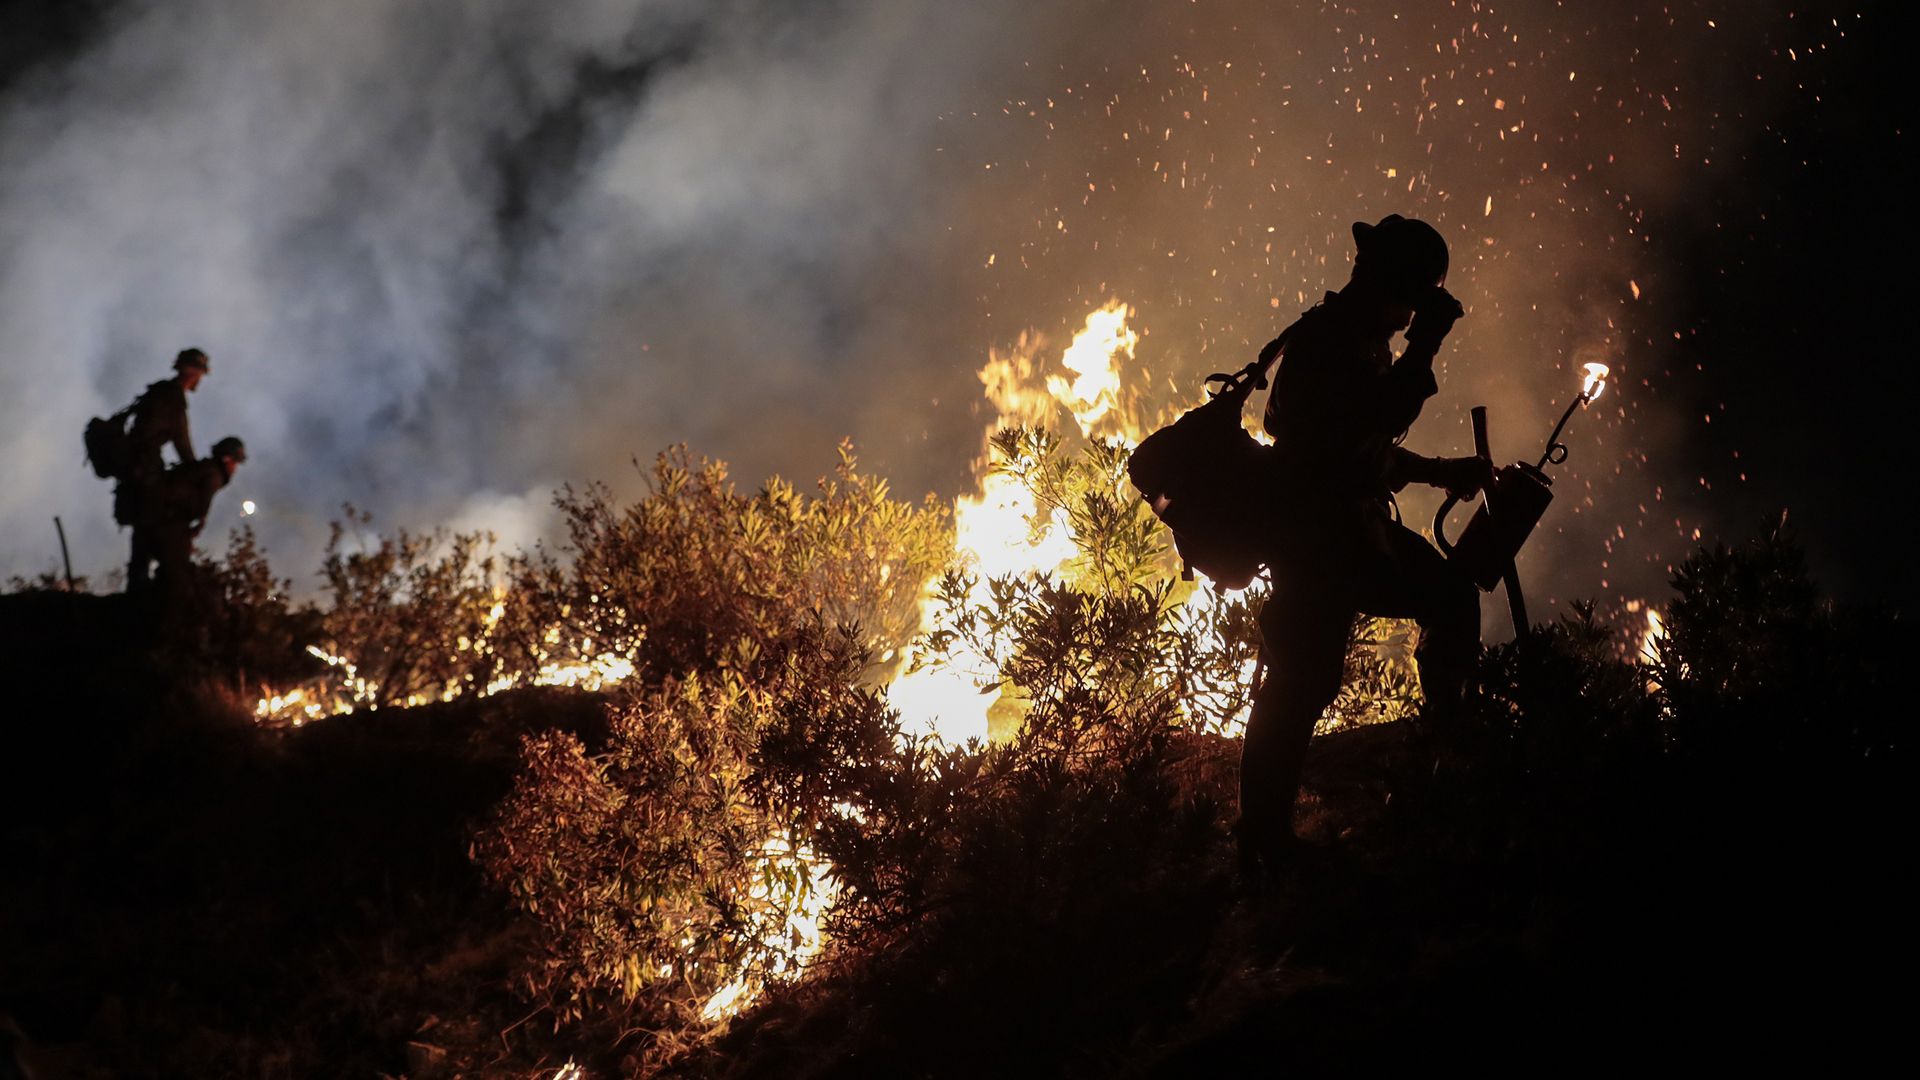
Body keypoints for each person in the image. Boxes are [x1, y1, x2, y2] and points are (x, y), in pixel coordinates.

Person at [1239, 214, 1492, 869]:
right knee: (1301, 679)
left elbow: (1364, 444)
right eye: (1412, 300)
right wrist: (1426, 350)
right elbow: (1364, 425)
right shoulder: (1331, 341)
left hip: (1347, 532)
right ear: (1394, 286)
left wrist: (1439, 473)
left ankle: (1446, 757)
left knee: (1448, 597)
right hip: (1316, 537)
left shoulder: (1355, 340)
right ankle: (1263, 843)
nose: (1412, 315)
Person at [120, 348, 210, 591]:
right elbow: (182, 442)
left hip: (136, 467)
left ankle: (136, 581)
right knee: (153, 522)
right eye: (200, 373)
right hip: (147, 468)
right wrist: (198, 474)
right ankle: (144, 584)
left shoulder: (159, 390)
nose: (199, 379)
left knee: (143, 525)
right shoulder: (173, 397)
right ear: (192, 371)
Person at [129, 436, 246, 609]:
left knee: (140, 576)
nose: (235, 469)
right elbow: (191, 508)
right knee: (178, 582)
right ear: (227, 459)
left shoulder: (201, 470)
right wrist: (187, 533)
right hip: (162, 522)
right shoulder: (213, 475)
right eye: (235, 463)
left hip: (147, 517)